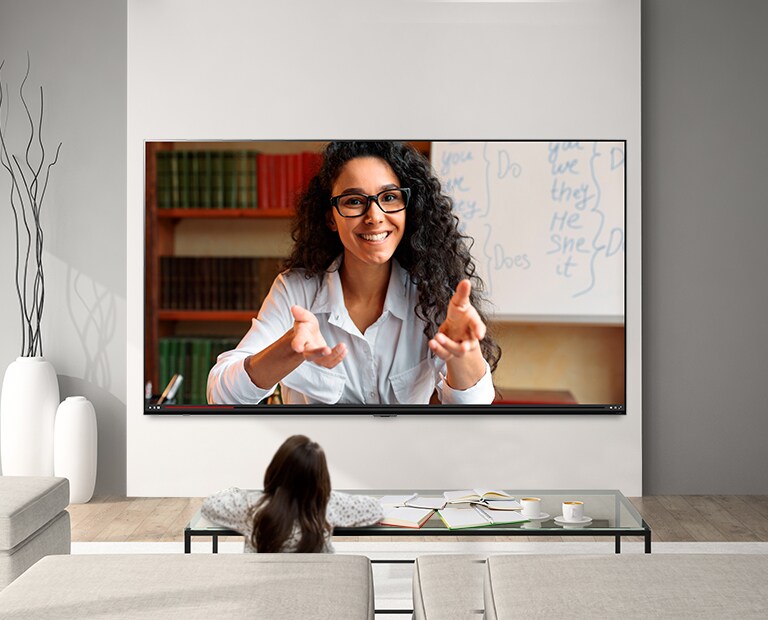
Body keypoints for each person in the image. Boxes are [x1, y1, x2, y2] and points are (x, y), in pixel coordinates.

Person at [207, 141, 501, 405]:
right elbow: (220, 394)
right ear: (330, 218)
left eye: (389, 197)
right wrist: (288, 349)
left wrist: (464, 352)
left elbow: (473, 408)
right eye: (354, 201)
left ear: (408, 209)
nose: (374, 216)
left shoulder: (433, 294)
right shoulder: (295, 290)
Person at [201, 434, 382, 553]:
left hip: (263, 591)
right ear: (321, 477)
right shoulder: (329, 504)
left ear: (276, 469)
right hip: (316, 590)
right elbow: (375, 509)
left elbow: (210, 505)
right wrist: (330, 494)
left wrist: (235, 491)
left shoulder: (251, 505)